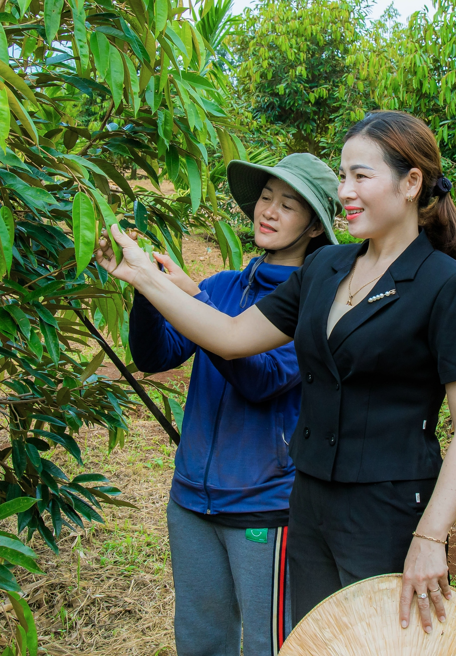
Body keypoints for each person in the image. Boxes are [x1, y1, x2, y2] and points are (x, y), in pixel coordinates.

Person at [97, 111, 456, 635]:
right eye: (343, 176)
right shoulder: (326, 269)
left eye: (361, 176)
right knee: (312, 642)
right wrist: (145, 279)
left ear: (411, 182)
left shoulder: (448, 286)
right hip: (308, 504)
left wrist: (430, 535)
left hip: (387, 509)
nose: (346, 191)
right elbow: (231, 338)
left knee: (376, 644)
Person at [130, 152, 341, 656]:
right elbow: (153, 356)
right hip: (191, 503)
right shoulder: (223, 287)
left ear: (314, 226)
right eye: (266, 198)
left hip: (263, 508)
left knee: (271, 644)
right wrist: (147, 290)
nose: (269, 211)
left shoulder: (317, 302)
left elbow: (263, 379)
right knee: (201, 641)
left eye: (288, 205)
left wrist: (189, 303)